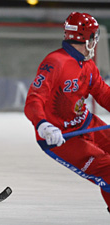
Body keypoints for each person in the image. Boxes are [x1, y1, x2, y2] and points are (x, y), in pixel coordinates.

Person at [24, 12, 110, 213]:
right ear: (87, 38)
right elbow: (34, 99)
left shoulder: (87, 64)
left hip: (87, 124)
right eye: (94, 36)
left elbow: (103, 93)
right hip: (61, 138)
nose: (95, 41)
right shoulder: (55, 62)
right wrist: (42, 125)